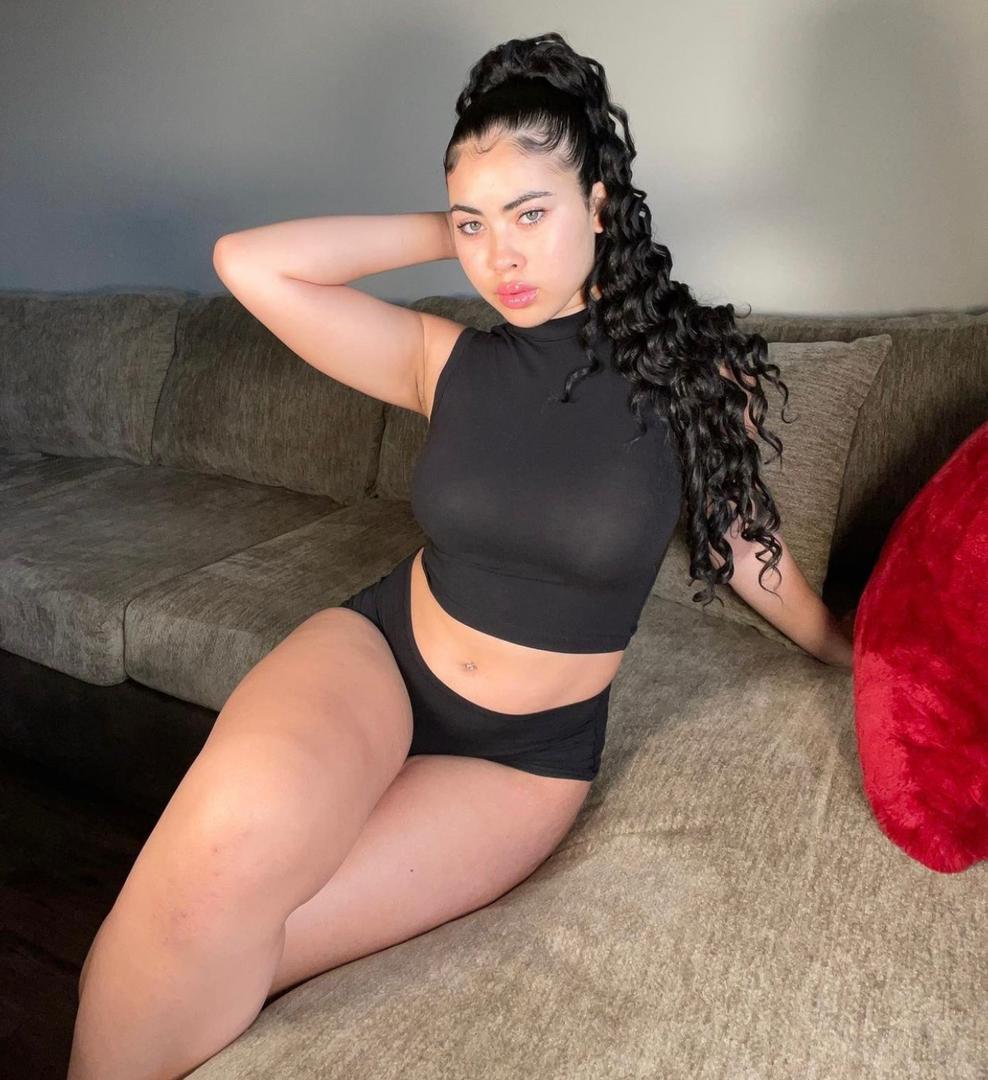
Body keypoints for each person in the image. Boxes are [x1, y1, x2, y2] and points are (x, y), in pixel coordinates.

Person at [69, 31, 853, 1079]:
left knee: (224, 942)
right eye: (474, 226)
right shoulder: (443, 359)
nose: (500, 258)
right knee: (200, 884)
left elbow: (740, 534)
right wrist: (458, 225)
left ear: (601, 207)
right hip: (382, 658)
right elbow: (247, 264)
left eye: (531, 214)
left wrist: (838, 644)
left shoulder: (695, 377)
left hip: (521, 763)